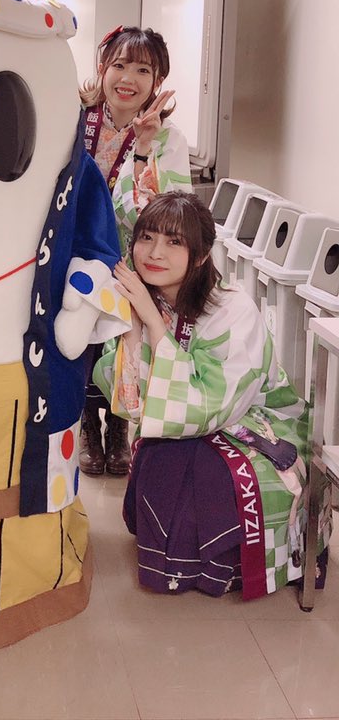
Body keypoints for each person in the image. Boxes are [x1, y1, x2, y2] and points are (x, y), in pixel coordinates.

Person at [95, 191, 329, 598]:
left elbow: (212, 405)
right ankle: (174, 560)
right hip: (189, 419)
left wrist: (152, 323)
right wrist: (133, 329)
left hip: (255, 421)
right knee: (159, 455)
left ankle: (219, 567)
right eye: (146, 237)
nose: (155, 252)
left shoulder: (233, 309)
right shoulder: (146, 300)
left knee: (202, 472)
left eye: (174, 242)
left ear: (201, 256)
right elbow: (132, 403)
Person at [78, 25, 192, 476]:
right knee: (80, 342)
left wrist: (144, 148)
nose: (128, 78)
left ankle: (118, 428)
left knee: (124, 342)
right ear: (102, 68)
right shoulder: (76, 119)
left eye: (143, 70)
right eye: (120, 65)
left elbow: (168, 213)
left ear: (157, 81)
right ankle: (88, 424)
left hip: (132, 260)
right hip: (77, 252)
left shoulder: (169, 139)